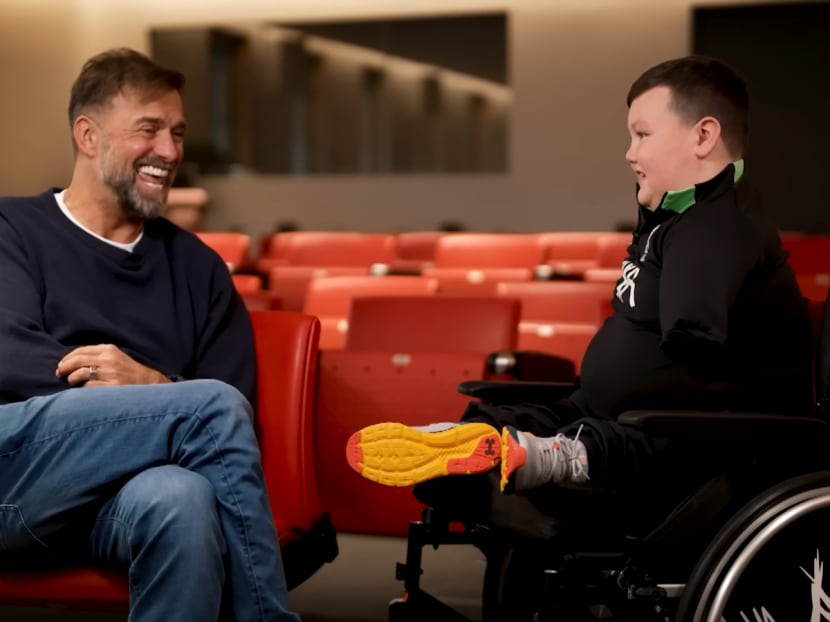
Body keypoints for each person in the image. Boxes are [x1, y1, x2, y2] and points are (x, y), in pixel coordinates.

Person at [347, 55, 813, 525]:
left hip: (697, 442)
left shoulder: (718, 230)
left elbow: (694, 360)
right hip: (611, 412)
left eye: (643, 135)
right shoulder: (677, 220)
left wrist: (614, 391)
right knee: (518, 414)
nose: (630, 153)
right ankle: (479, 436)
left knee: (618, 436)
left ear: (704, 136)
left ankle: (553, 454)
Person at [0, 48, 300, 622]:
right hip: (15, 479)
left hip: (118, 500)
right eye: (149, 130)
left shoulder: (199, 269)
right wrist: (146, 397)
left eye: (178, 133)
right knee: (207, 408)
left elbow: (234, 413)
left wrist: (153, 386)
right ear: (87, 136)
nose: (170, 151)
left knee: (182, 499)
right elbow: (8, 360)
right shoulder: (11, 228)